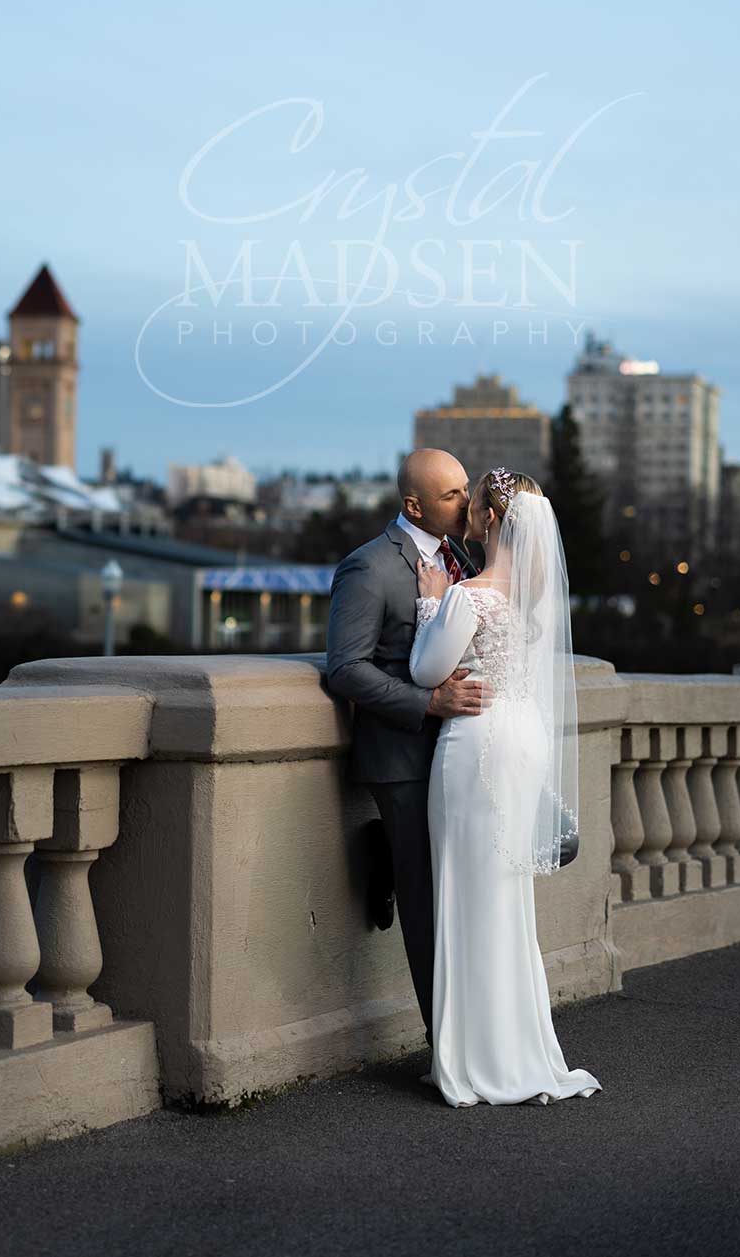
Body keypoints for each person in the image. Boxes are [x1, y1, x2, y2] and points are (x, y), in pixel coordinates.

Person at [408, 468, 601, 1106]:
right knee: (507, 901)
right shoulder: (531, 598)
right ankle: (516, 1049)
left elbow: (425, 668)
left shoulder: (470, 595)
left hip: (478, 746)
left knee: (465, 895)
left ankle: (474, 1059)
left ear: (489, 520)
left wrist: (431, 601)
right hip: (523, 743)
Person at [322, 448, 487, 1051]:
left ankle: (382, 855)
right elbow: (346, 670)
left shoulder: (460, 557)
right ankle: (447, 1048)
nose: (466, 503)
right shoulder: (369, 568)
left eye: (467, 489)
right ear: (414, 504)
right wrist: (428, 705)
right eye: (452, 496)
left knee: (462, 893)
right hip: (402, 761)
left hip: (459, 756)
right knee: (425, 905)